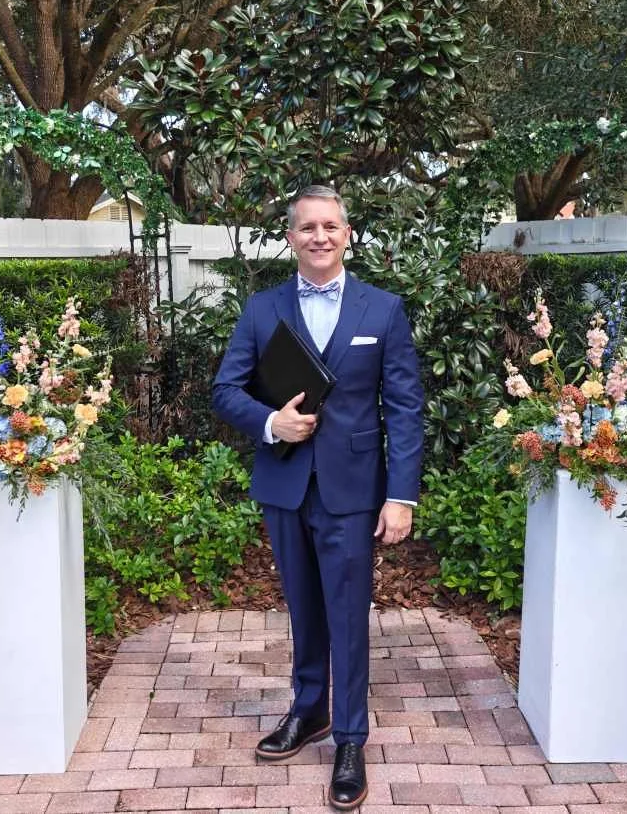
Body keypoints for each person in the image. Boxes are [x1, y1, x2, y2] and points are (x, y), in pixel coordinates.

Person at [212, 184, 424, 810]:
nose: (320, 236)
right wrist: (271, 423)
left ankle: (351, 739)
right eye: (308, 227)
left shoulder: (382, 311)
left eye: (331, 225)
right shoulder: (261, 309)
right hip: (284, 484)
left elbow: (405, 409)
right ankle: (310, 713)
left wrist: (401, 496)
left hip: (355, 491)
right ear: (291, 238)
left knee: (348, 616)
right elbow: (227, 390)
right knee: (304, 608)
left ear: (348, 233)